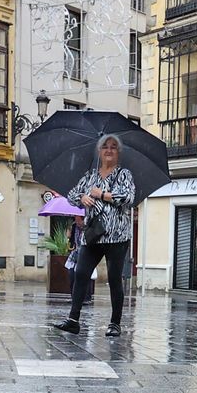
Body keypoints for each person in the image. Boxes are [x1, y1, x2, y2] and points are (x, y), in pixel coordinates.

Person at [52, 134, 136, 337]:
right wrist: (83, 196)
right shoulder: (90, 176)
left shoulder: (124, 174)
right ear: (99, 152)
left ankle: (115, 324)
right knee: (81, 273)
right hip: (93, 235)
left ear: (118, 152)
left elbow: (129, 197)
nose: (109, 150)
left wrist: (102, 195)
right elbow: (71, 195)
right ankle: (73, 320)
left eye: (113, 147)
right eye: (105, 147)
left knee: (115, 278)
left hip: (117, 236)